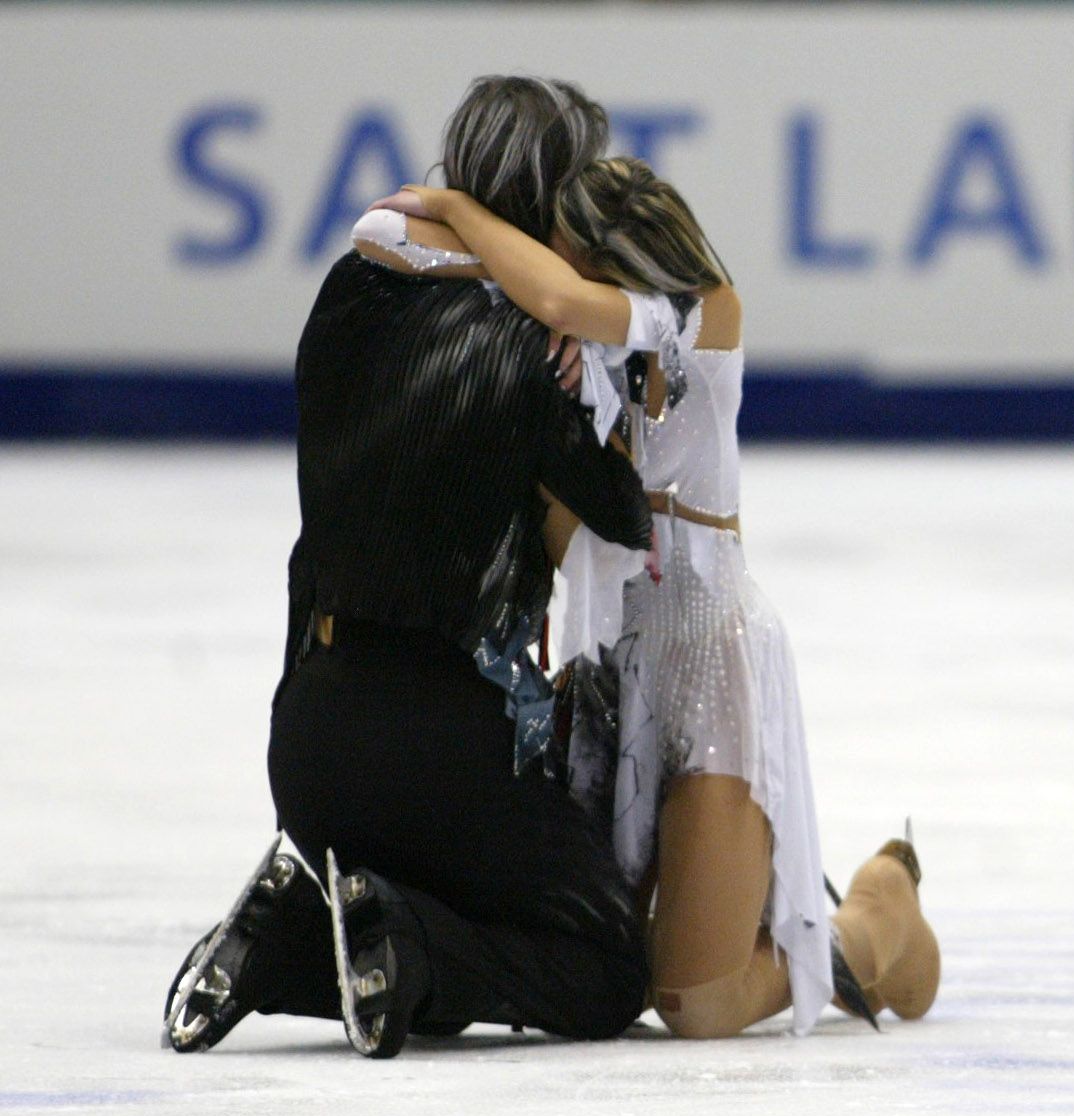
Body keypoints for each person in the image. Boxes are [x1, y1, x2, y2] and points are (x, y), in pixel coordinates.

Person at [356, 156, 940, 1038]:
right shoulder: (583, 348)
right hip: (615, 670)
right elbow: (381, 240)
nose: (540, 276)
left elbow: (549, 295)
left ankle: (877, 920)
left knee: (695, 1004)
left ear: (603, 259)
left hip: (714, 664)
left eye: (558, 255)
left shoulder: (705, 315)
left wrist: (454, 206)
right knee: (599, 970)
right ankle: (744, 900)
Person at [163, 76, 655, 1059]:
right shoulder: (530, 347)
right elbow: (625, 517)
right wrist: (615, 379)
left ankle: (285, 939)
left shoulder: (344, 295)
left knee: (423, 891)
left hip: (306, 737)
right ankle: (367, 942)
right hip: (443, 750)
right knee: (608, 967)